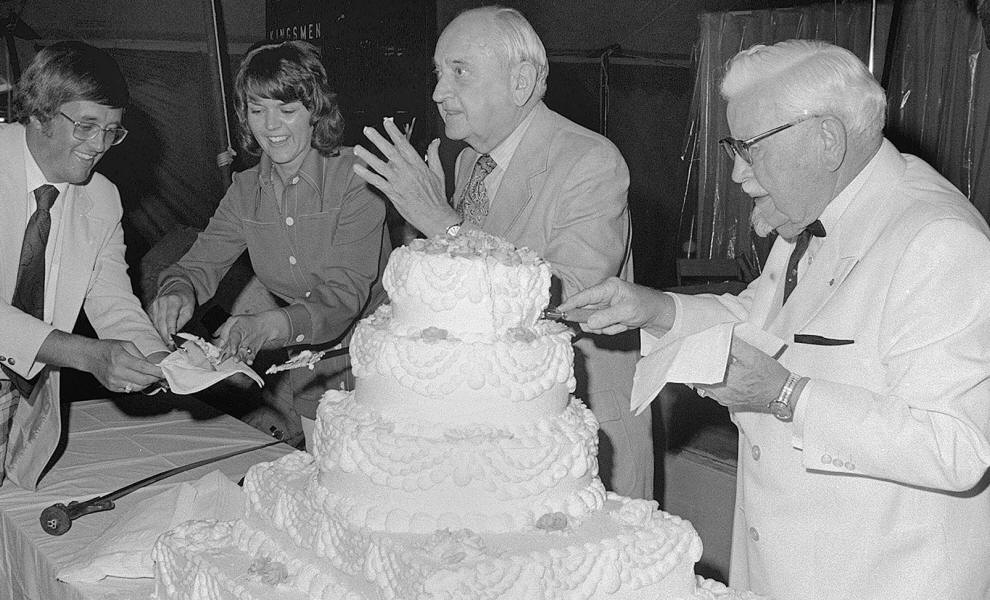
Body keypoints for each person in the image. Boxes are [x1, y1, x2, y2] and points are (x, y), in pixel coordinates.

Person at [559, 39, 990, 599]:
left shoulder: (939, 241)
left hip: (880, 578)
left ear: (827, 140)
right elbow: (766, 323)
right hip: (791, 571)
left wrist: (787, 396)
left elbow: (957, 445)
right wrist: (658, 309)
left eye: (750, 148)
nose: (738, 173)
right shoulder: (821, 212)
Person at [351, 6, 653, 500]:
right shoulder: (471, 162)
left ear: (521, 81)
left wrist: (439, 222)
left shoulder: (590, 160)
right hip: (492, 430)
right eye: (438, 73)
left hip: (577, 432)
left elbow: (569, 297)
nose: (438, 92)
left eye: (459, 72)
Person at [149, 40, 390, 442]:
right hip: (309, 362)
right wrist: (178, 290)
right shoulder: (245, 190)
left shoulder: (356, 176)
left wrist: (265, 326)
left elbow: (343, 295)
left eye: (287, 110)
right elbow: (198, 264)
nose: (271, 126)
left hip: (382, 359)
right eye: (257, 110)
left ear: (316, 112)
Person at [0, 41, 170, 489]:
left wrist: (160, 364)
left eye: (112, 131)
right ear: (38, 112)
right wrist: (88, 355)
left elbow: (112, 300)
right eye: (86, 126)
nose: (99, 147)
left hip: (26, 395)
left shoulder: (102, 197)